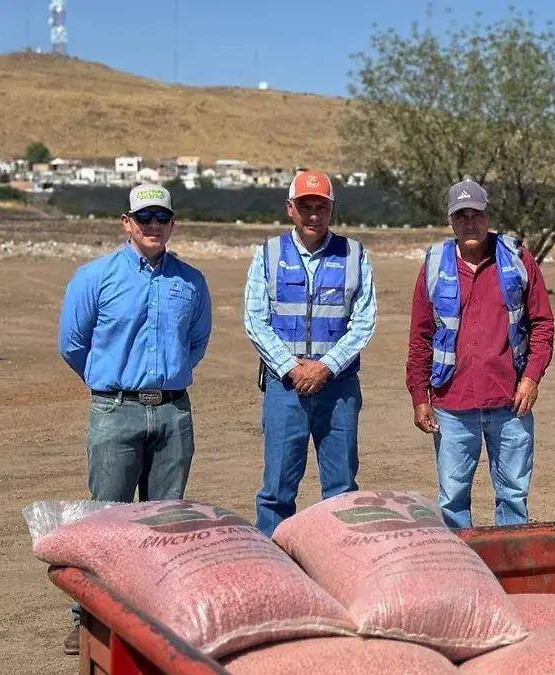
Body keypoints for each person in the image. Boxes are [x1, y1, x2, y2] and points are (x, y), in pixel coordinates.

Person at [57, 183, 212, 654]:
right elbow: (73, 343)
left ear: (172, 223)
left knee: (164, 522)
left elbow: (197, 343)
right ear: (127, 222)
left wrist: (163, 381)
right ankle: (89, 617)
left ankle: (154, 618)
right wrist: (110, 384)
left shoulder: (191, 281)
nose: (153, 226)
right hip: (115, 410)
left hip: (172, 412)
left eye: (161, 218)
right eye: (144, 218)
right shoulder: (94, 277)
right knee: (107, 519)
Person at [406, 180, 555, 529]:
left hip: (510, 403)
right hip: (452, 406)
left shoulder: (518, 260)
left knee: (514, 497)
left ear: (488, 215)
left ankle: (512, 572)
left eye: (476, 214)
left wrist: (531, 378)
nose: (469, 222)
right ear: (451, 221)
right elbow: (420, 337)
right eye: (461, 216)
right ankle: (465, 577)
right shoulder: (434, 265)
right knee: (453, 501)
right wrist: (419, 396)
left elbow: (543, 325)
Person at [243, 170, 377, 537]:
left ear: (332, 209)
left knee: (342, 490)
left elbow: (363, 322)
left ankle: (339, 563)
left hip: (338, 390)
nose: (313, 215)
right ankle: (274, 571)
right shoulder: (268, 254)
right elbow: (255, 320)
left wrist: (325, 368)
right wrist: (291, 368)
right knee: (276, 492)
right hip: (285, 389)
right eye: (305, 207)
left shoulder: (355, 255)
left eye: (321, 206)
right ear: (290, 209)